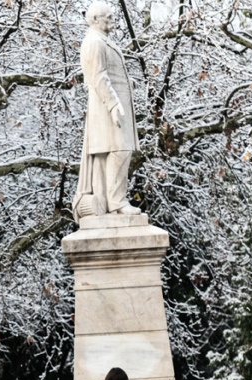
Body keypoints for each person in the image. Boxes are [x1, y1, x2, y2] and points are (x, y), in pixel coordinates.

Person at [71, 1, 141, 221]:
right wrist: (112, 105)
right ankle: (117, 202)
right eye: (108, 17)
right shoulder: (94, 42)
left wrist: (128, 85)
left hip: (113, 105)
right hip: (106, 108)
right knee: (119, 150)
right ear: (95, 20)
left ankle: (111, 199)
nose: (113, 21)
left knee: (120, 150)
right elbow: (99, 77)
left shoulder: (102, 41)